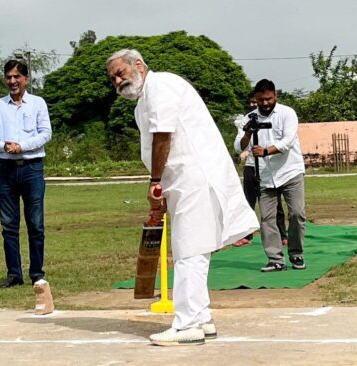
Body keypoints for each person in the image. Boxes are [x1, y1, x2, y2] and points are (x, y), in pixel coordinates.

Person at [107, 49, 259, 346]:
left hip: (194, 177)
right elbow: (156, 145)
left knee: (190, 251)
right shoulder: (143, 102)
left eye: (120, 73)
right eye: (112, 78)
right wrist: (161, 186)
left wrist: (154, 181)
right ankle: (201, 318)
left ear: (138, 65)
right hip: (180, 182)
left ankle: (187, 324)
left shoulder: (161, 85)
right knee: (193, 249)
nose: (116, 81)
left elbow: (164, 135)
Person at [0, 60, 52, 290]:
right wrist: (4, 146)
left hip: (32, 167)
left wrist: (21, 146)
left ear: (26, 79)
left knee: (35, 223)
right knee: (9, 224)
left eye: (16, 77)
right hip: (5, 169)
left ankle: (37, 273)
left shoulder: (37, 103)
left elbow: (45, 134)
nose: (12, 81)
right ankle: (14, 273)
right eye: (8, 77)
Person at [234, 79, 306, 272]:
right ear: (255, 99)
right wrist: (248, 133)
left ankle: (296, 253)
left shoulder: (287, 113)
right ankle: (275, 259)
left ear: (275, 96)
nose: (265, 103)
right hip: (265, 176)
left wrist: (265, 151)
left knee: (297, 214)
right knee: (267, 218)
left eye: (268, 99)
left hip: (290, 171)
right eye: (261, 100)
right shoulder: (248, 118)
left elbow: (288, 141)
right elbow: (238, 146)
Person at [234, 92, 287, 247]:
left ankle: (282, 234)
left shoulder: (272, 118)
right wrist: (248, 133)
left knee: (275, 201)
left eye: (254, 102)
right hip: (251, 165)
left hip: (268, 166)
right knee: (248, 201)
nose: (253, 105)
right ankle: (246, 235)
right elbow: (239, 146)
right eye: (251, 102)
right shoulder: (245, 121)